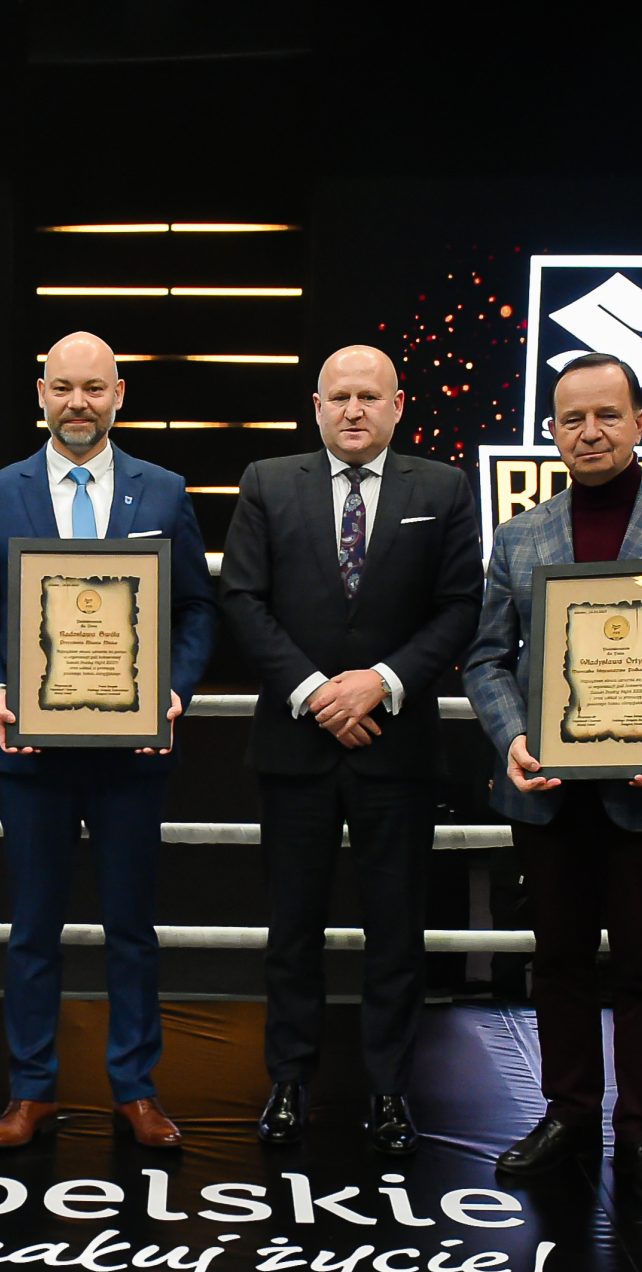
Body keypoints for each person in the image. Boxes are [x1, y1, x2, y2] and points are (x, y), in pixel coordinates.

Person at [462, 353, 642, 1209]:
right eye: (571, 419)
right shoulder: (521, 535)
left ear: (641, 423)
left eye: (606, 415)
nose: (589, 432)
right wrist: (516, 736)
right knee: (556, 962)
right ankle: (567, 1114)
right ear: (552, 431)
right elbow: (487, 659)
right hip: (548, 791)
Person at [0, 331, 217, 1149]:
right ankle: (30, 1091)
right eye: (63, 388)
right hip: (30, 755)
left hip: (133, 754)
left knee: (132, 929)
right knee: (33, 930)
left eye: (94, 389)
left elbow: (197, 609)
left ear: (119, 395)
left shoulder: (164, 491)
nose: (78, 404)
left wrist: (174, 690)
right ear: (41, 394)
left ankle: (136, 1089)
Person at [218, 345, 481, 1154]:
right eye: (340, 397)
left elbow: (460, 605)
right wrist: (316, 693)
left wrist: (381, 682)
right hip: (295, 743)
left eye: (370, 396)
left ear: (398, 405)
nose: (354, 410)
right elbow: (242, 599)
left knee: (397, 931)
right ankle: (288, 1082)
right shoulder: (267, 481)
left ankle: (391, 1090)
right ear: (317, 405)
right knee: (292, 929)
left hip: (396, 747)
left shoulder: (443, 488)